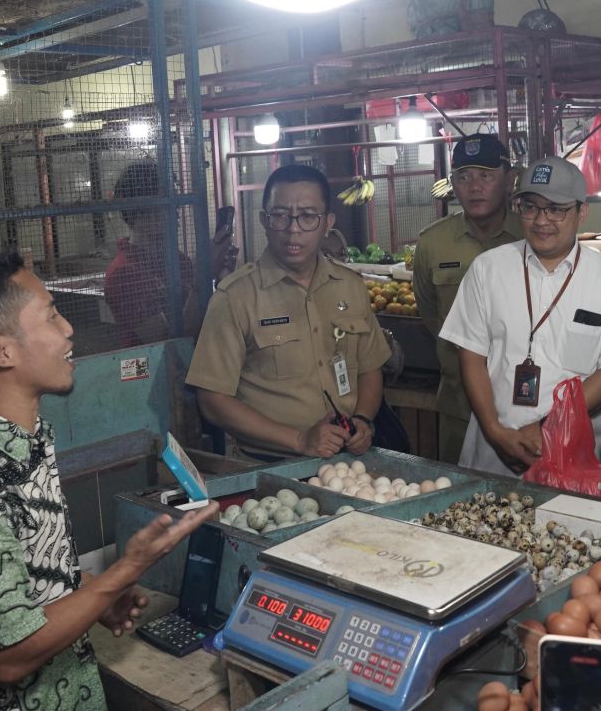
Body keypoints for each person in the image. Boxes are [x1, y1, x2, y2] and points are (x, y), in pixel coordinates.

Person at [0, 249, 217, 711]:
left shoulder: (27, 444)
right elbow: (8, 657)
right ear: (2, 350)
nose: (69, 329)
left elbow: (23, 581)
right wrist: (124, 571)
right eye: (51, 316)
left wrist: (92, 598)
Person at [187, 164, 390, 461]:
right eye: (281, 216)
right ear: (264, 221)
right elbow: (212, 400)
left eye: (308, 216)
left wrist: (363, 420)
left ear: (327, 223)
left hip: (346, 462)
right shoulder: (236, 296)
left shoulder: (350, 286)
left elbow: (370, 367)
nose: (293, 229)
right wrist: (299, 440)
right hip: (267, 465)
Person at [440, 156, 601, 477]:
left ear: (582, 212)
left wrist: (545, 429)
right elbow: (471, 358)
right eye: (530, 207)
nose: (542, 220)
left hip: (570, 451)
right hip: (492, 451)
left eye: (556, 209)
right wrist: (497, 433)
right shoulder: (489, 269)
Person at [413, 134, 523, 465]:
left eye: (486, 176)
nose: (474, 187)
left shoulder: (531, 236)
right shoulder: (433, 243)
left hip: (524, 406)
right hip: (459, 405)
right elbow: (432, 316)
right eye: (464, 176)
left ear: (509, 179)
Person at [103, 159, 237, 342]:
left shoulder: (178, 260)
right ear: (137, 212)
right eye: (167, 204)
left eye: (177, 202)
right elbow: (170, 343)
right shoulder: (124, 273)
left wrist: (222, 277)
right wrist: (203, 276)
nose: (177, 211)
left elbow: (207, 319)